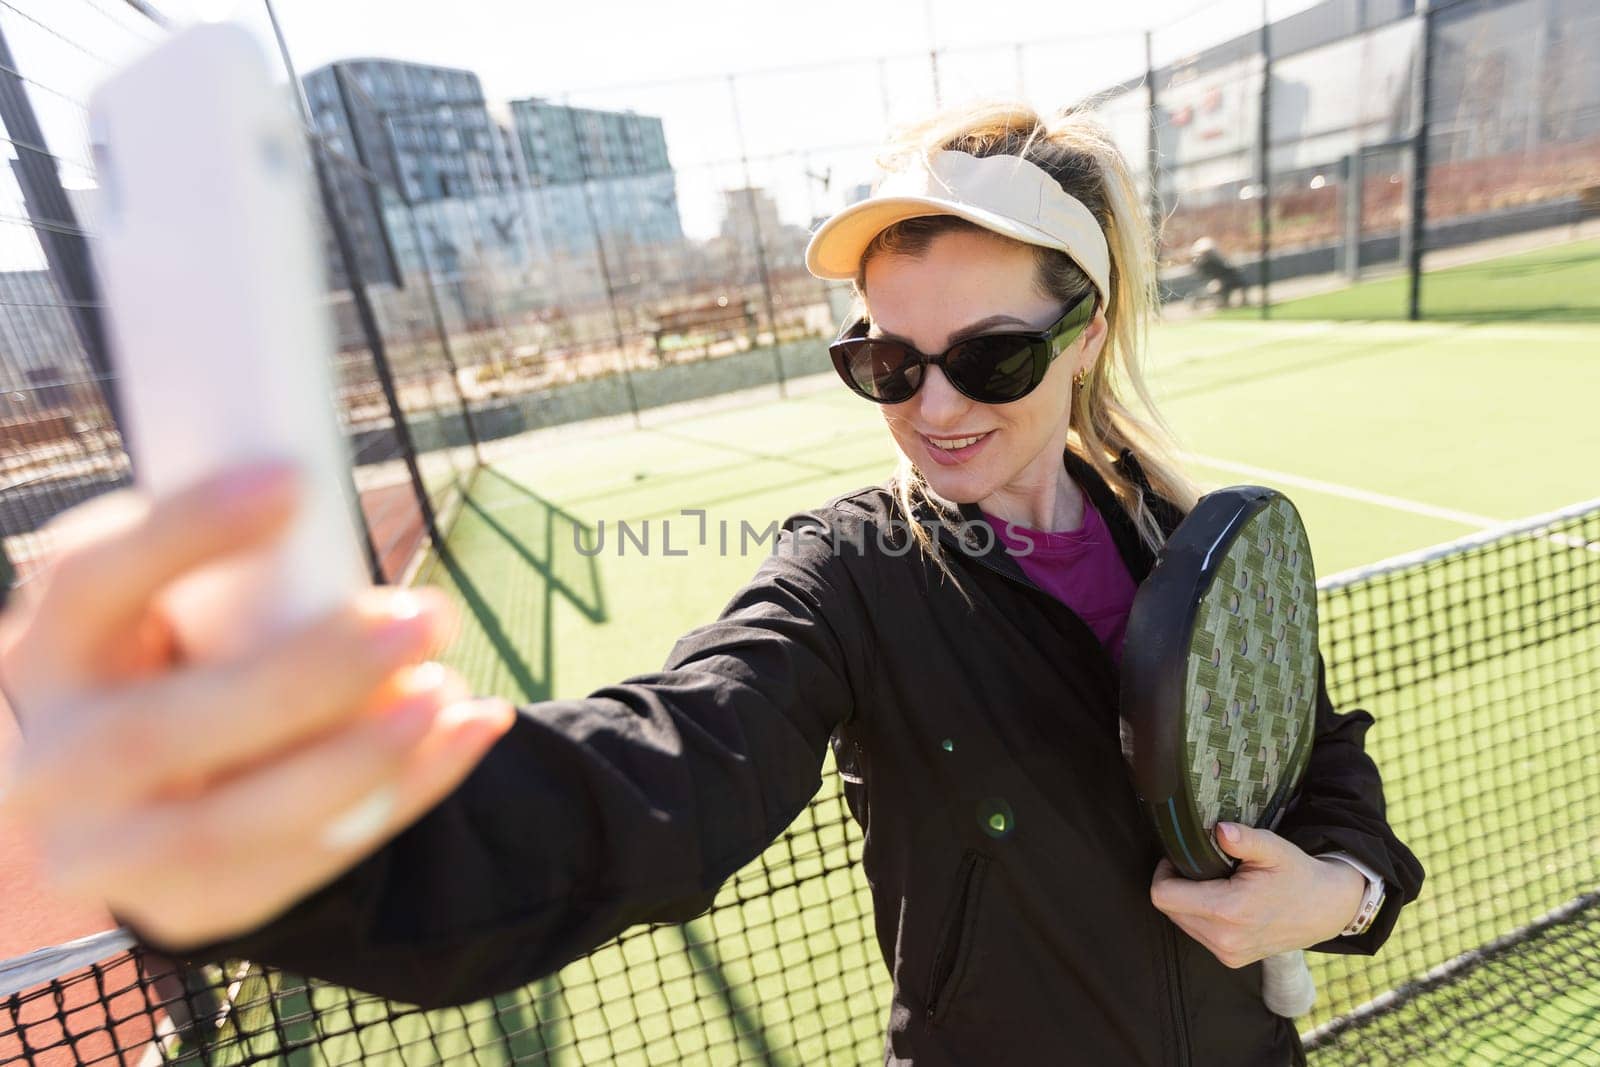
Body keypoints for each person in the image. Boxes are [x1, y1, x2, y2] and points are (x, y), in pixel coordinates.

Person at [0, 103, 1422, 1066]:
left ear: (1087, 330)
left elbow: (1316, 753)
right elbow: (670, 767)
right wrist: (331, 852)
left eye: (987, 358)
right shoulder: (856, 574)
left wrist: (1345, 892)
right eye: (883, 362)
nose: (931, 408)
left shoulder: (1192, 535)